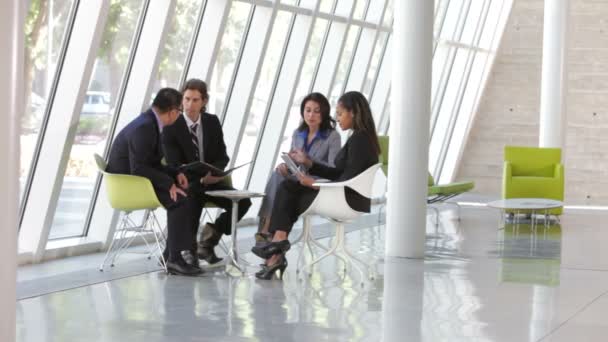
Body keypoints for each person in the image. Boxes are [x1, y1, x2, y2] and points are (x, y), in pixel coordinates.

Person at [252, 91, 381, 280]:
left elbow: (346, 178)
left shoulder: (360, 140)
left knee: (289, 190)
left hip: (346, 198)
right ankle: (277, 248)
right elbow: (339, 172)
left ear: (352, 113)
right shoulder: (359, 137)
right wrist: (310, 164)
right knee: (288, 187)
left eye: (340, 113)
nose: (337, 118)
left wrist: (313, 183)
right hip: (345, 193)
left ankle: (277, 243)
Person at [106, 88, 202, 276]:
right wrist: (168, 183)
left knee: (187, 194)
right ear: (173, 112)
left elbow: (151, 163)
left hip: (138, 180)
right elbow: (139, 168)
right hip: (131, 185)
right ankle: (175, 258)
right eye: (180, 111)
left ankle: (170, 254)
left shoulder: (150, 122)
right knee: (180, 199)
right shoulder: (145, 127)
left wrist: (175, 173)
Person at [162, 78, 251, 265]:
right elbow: (174, 163)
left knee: (243, 202)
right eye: (186, 99)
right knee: (193, 197)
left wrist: (215, 174)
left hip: (212, 180)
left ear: (204, 101)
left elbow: (223, 156)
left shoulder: (212, 122)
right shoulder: (171, 126)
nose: (189, 104)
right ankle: (188, 250)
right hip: (187, 183)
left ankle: (208, 240)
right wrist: (201, 179)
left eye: (195, 100)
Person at [255, 92, 341, 245]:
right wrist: (286, 166)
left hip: (315, 180)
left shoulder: (332, 136)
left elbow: (333, 169)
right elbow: (294, 162)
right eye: (307, 110)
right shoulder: (298, 134)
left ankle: (269, 231)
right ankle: (266, 225)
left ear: (324, 113)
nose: (311, 115)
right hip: (298, 176)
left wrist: (308, 160)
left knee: (286, 185)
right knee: (277, 174)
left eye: (316, 111)